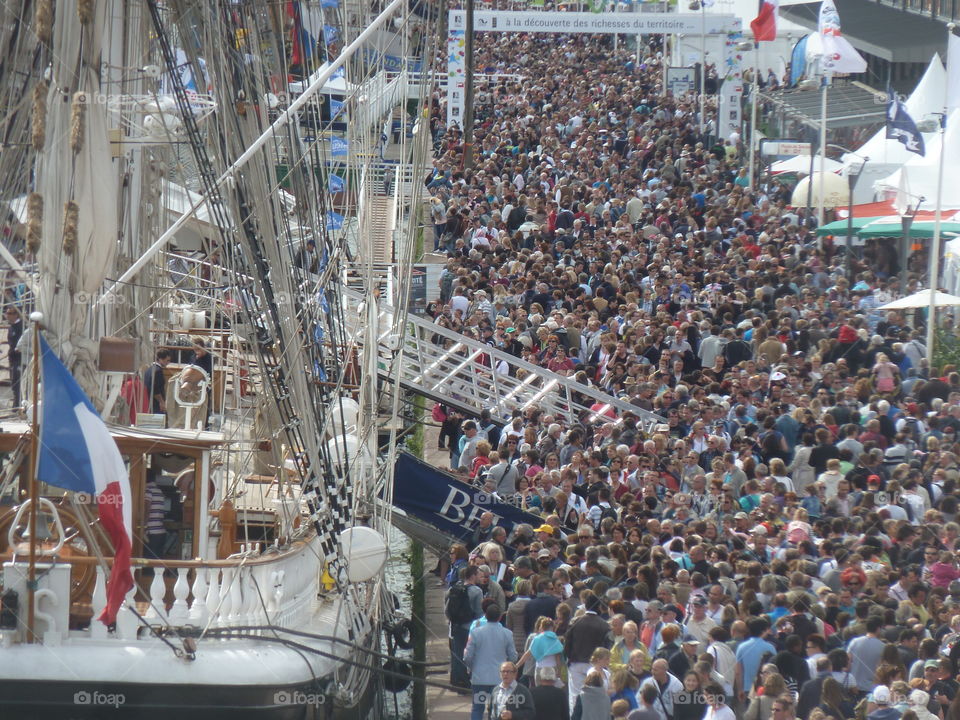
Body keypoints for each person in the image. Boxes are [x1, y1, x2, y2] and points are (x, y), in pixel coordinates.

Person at [464, 604, 517, 720]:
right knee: (497, 708)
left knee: (477, 708)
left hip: (479, 677)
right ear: (499, 618)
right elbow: (513, 656)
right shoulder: (507, 634)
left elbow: (467, 656)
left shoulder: (476, 633)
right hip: (500, 678)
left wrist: (471, 668)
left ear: (486, 616)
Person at [564, 591, 611, 710]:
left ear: (585, 605)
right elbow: (606, 646)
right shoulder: (604, 625)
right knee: (595, 694)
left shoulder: (575, 621)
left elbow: (567, 642)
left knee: (575, 695)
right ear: (599, 606)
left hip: (576, 663)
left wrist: (569, 657)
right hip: (595, 664)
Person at [448, 565, 484, 691]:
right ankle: (465, 681)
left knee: (457, 653)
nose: (481, 577)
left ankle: (456, 681)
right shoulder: (477, 591)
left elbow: (446, 608)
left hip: (456, 626)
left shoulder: (455, 588)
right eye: (479, 575)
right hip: (470, 627)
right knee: (469, 654)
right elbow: (480, 612)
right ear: (473, 575)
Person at [143, 349, 172, 414]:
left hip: (148, 402)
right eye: (167, 360)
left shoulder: (149, 370)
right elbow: (156, 389)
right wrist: (161, 402)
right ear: (160, 359)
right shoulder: (158, 371)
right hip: (156, 404)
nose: (168, 363)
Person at [5, 305, 22, 408]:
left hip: (19, 358)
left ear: (16, 315)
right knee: (13, 380)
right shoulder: (11, 328)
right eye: (7, 313)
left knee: (17, 380)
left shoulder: (21, 326)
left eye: (10, 313)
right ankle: (16, 403)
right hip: (12, 358)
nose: (7, 316)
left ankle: (17, 404)